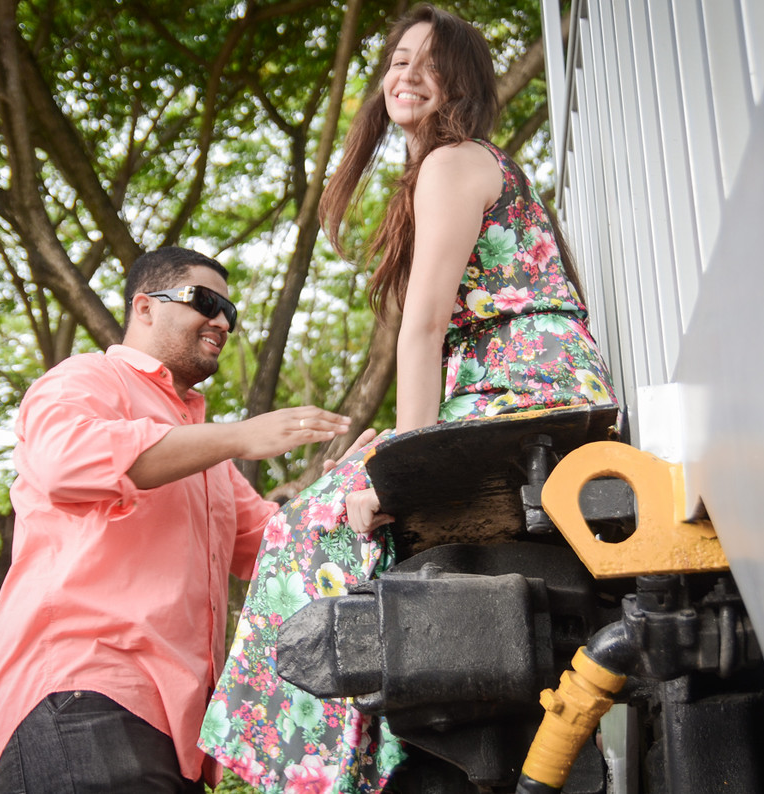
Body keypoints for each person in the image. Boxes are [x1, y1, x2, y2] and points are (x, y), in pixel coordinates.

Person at [199, 5, 618, 792]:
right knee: (341, 490)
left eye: (431, 62)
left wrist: (403, 474)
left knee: (310, 527)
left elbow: (423, 330)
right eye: (398, 60)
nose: (408, 75)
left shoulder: (453, 161)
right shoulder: (464, 166)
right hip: (519, 384)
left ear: (464, 84)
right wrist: (390, 450)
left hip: (522, 389)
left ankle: (326, 770)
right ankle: (373, 756)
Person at [0, 245, 358, 794]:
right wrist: (240, 435)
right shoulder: (86, 378)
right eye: (204, 301)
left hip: (179, 733)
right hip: (80, 695)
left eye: (230, 311)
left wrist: (344, 492)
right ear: (144, 307)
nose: (222, 321)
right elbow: (64, 461)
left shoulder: (207, 458)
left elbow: (278, 547)